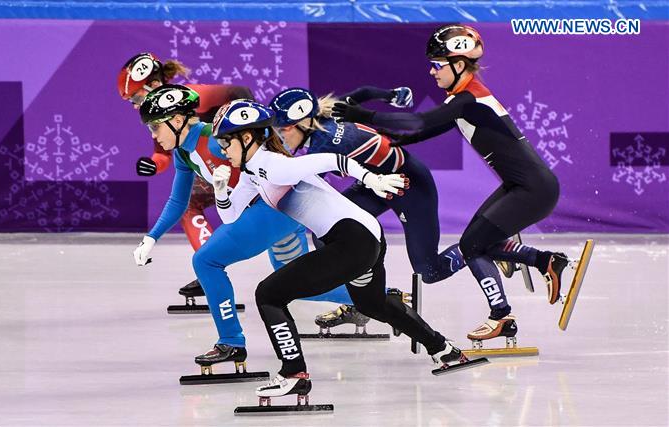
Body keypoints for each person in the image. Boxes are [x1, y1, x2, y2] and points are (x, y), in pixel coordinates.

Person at [211, 99, 483, 399]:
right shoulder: (252, 173)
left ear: (246, 138)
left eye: (225, 142)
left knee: (268, 294)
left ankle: (293, 373)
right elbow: (230, 216)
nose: (223, 150)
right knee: (372, 304)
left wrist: (372, 179)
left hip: (352, 240)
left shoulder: (274, 165)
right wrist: (220, 190)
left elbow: (333, 159)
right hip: (365, 237)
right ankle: (444, 349)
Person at [330, 24, 570, 342]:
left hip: (532, 190)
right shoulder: (460, 100)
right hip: (521, 186)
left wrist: (364, 115)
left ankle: (501, 316)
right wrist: (369, 136)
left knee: (471, 245)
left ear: (458, 64)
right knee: (477, 243)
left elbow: (418, 121)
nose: (432, 71)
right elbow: (414, 133)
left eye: (437, 65)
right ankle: (544, 261)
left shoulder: (470, 99)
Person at [131, 85, 320, 371]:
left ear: (178, 120)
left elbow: (268, 148)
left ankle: (231, 341)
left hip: (274, 207)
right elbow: (178, 200)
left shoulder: (213, 139)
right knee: (302, 284)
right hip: (278, 210)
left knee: (206, 260)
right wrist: (151, 237)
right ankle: (379, 295)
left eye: (155, 127)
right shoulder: (184, 153)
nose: (153, 136)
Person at [269, 86, 469, 332]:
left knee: (430, 270)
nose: (281, 137)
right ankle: (359, 302)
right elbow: (363, 93)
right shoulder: (327, 113)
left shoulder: (324, 144)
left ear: (303, 123)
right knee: (330, 236)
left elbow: (294, 188)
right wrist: (391, 95)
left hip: (409, 186)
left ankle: (479, 246)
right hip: (376, 184)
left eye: (283, 129)